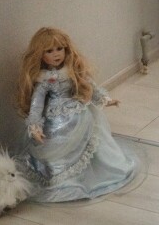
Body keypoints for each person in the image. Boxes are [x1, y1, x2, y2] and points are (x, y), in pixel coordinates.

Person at [15, 27, 143, 202]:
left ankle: (92, 172)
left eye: (59, 49)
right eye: (49, 51)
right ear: (40, 55)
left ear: (66, 49)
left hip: (78, 114)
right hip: (55, 120)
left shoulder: (71, 70)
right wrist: (35, 126)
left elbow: (89, 84)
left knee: (89, 141)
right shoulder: (43, 79)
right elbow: (36, 105)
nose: (56, 54)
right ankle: (65, 179)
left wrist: (105, 99)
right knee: (58, 148)